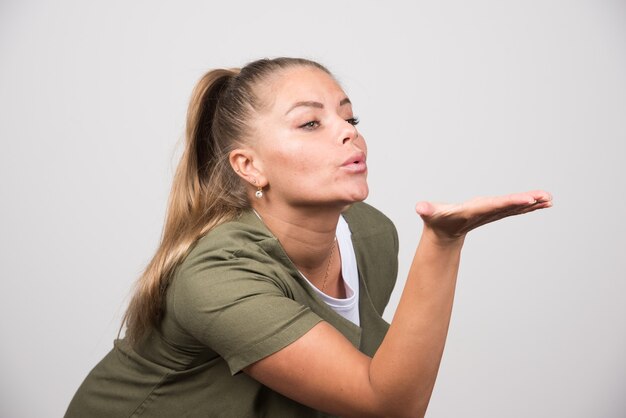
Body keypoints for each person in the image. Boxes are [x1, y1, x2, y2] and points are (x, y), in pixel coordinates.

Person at [65, 57, 552, 418]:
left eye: (349, 117)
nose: (348, 132)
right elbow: (387, 405)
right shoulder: (216, 277)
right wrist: (444, 242)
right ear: (249, 166)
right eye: (311, 122)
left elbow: (360, 383)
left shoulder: (371, 234)